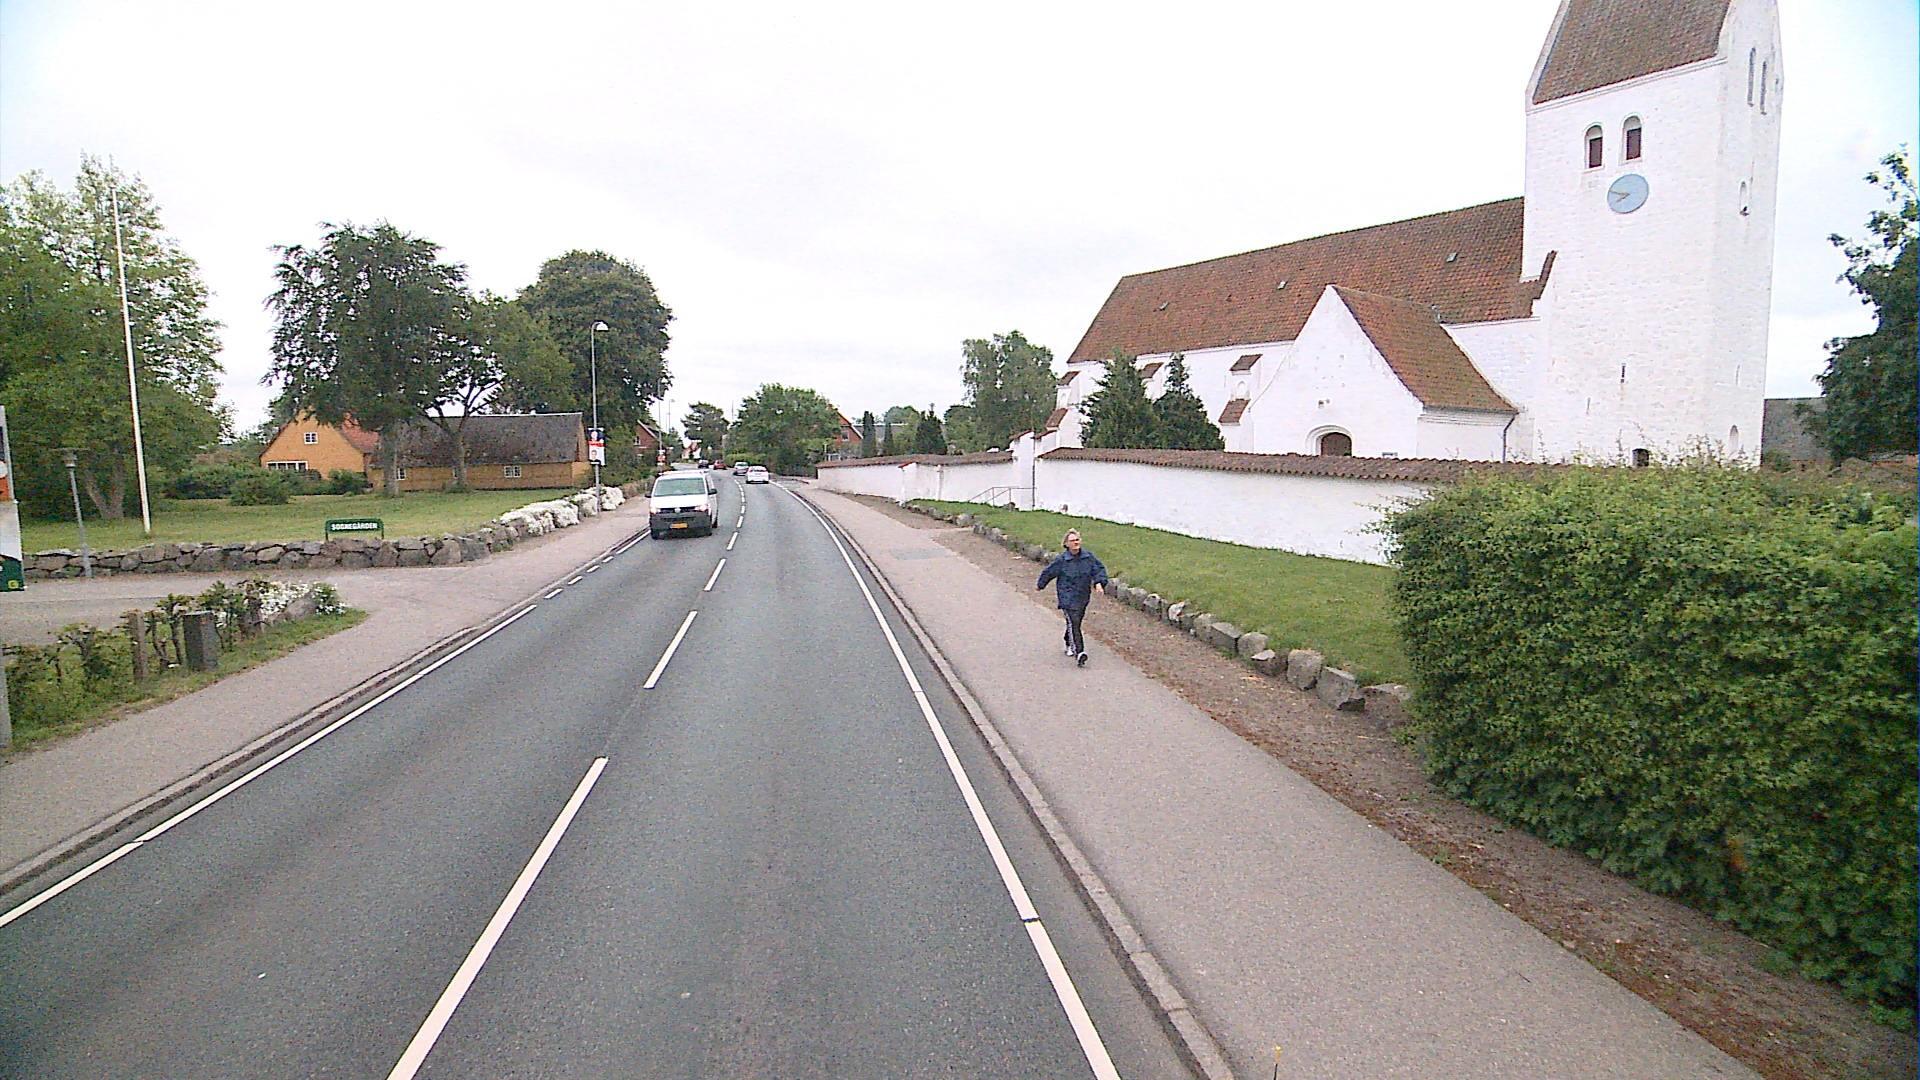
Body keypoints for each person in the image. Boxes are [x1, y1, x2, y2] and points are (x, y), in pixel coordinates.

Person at [1036, 529, 1108, 667]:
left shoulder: (1088, 557)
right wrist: (1041, 585)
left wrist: (1099, 583)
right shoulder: (1062, 560)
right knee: (1073, 621)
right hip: (1067, 597)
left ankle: (1068, 641)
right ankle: (1079, 652)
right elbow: (1049, 572)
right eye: (1072, 540)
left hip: (1082, 596)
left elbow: (1098, 569)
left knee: (1076, 622)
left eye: (1077, 540)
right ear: (1066, 544)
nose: (1076, 543)